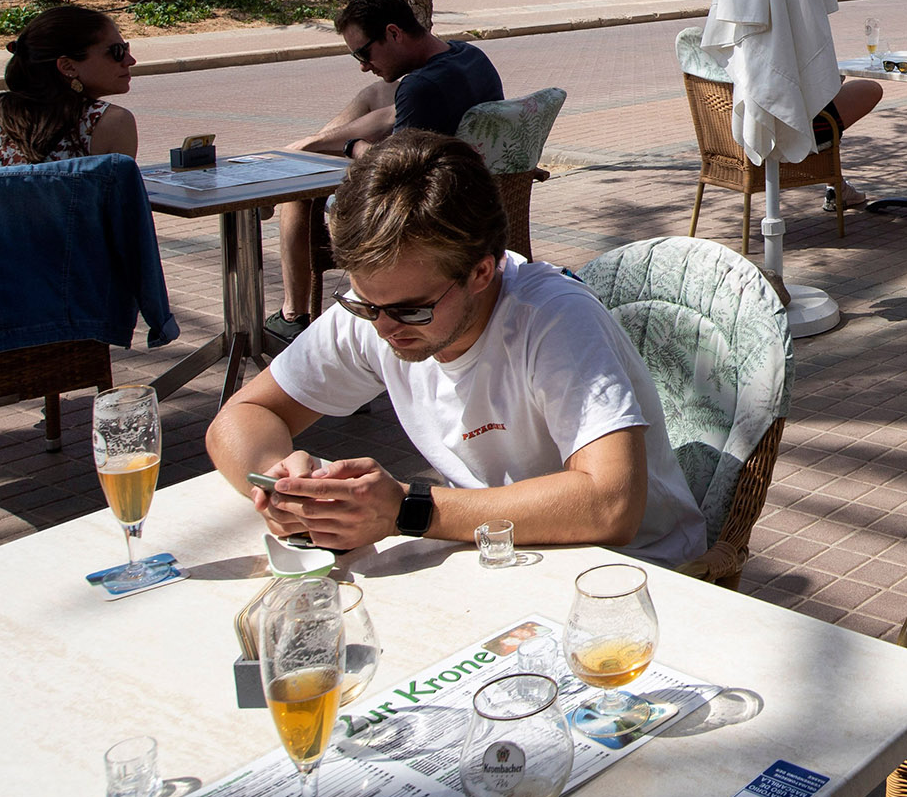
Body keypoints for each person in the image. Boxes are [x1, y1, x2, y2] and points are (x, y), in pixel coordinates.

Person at [208, 131, 706, 564]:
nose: (383, 328)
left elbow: (612, 504)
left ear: (481, 272)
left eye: (411, 311)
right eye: (364, 304)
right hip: (500, 556)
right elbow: (241, 416)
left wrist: (408, 509)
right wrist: (282, 485)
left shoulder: (553, 319)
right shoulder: (384, 302)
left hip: (633, 571)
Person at [266, 0, 504, 344]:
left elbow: (394, 171)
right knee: (375, 92)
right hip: (475, 193)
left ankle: (293, 315)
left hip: (421, 211)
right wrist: (316, 143)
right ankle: (302, 150)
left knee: (299, 194)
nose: (363, 65)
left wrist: (352, 147)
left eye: (364, 53)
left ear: (394, 33)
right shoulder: (468, 56)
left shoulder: (420, 89)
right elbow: (390, 113)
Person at [0, 5, 138, 168]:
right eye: (117, 51)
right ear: (68, 66)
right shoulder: (110, 123)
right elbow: (120, 204)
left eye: (126, 48)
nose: (130, 60)